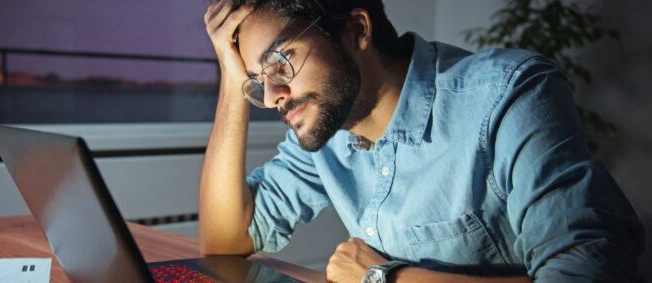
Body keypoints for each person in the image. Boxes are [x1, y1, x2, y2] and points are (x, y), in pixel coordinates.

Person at [198, 0, 644, 282]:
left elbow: (587, 273)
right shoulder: (327, 125)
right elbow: (224, 241)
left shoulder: (507, 94)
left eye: (281, 62)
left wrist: (384, 277)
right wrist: (231, 81)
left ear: (356, 30)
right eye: (257, 81)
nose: (273, 96)